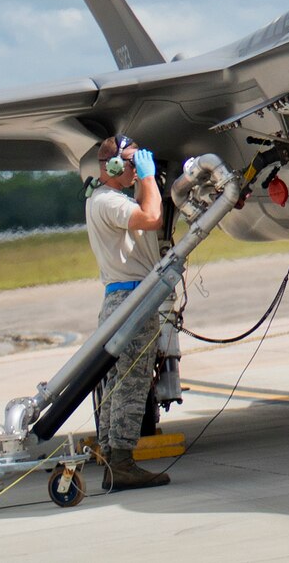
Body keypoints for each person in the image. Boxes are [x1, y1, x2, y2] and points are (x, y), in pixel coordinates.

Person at [83, 134, 172, 491]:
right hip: (132, 302)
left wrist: (144, 179)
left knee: (115, 385)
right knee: (131, 384)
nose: (138, 171)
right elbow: (151, 217)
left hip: (121, 301)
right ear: (115, 166)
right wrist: (149, 177)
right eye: (133, 164)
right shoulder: (108, 203)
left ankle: (111, 460)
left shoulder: (105, 199)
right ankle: (121, 463)